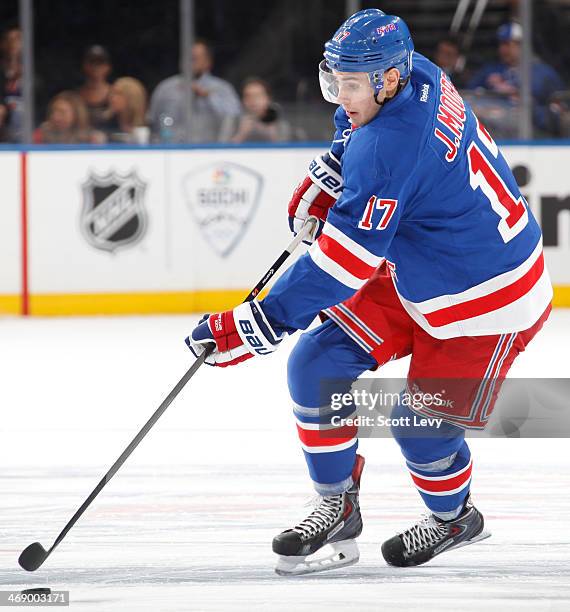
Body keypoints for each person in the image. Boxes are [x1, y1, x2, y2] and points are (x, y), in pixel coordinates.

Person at [186, 9, 552, 574]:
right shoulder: (418, 73)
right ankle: (338, 505)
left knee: (418, 423)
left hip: (489, 297)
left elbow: (338, 269)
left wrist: (256, 323)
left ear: (387, 79)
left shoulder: (389, 148)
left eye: (350, 85)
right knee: (316, 363)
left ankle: (456, 517)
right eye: (335, 81)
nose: (340, 95)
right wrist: (335, 166)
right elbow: (357, 132)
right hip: (422, 265)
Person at [467, 22, 563, 134]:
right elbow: (469, 95)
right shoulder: (490, 70)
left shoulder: (543, 73)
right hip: (493, 130)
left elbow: (557, 109)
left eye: (507, 44)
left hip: (531, 132)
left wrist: (518, 96)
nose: (502, 49)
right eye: (501, 44)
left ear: (522, 45)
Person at [148, 39, 241, 143]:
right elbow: (152, 120)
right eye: (186, 58)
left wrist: (208, 97)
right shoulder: (166, 88)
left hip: (211, 151)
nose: (189, 62)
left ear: (208, 61)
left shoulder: (222, 89)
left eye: (194, 58)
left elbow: (235, 117)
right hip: (172, 151)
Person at [228, 77, 291, 143]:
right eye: (248, 96)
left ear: (268, 98)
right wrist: (241, 134)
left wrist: (272, 134)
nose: (252, 100)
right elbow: (221, 149)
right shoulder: (233, 121)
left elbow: (288, 150)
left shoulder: (280, 123)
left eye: (258, 95)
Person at [33, 91, 104, 144]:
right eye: (53, 111)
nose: (55, 117)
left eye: (62, 112)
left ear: (76, 114)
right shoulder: (42, 133)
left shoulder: (89, 136)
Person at [100, 77, 148, 143]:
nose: (113, 98)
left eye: (119, 94)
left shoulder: (147, 125)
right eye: (112, 93)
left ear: (132, 98)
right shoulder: (104, 124)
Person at [77, 45, 113, 132]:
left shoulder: (116, 94)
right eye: (92, 62)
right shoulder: (77, 96)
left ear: (107, 67)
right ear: (85, 66)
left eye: (100, 62)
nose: (96, 67)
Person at [0, 26, 23, 142]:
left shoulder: (34, 75)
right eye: (11, 39)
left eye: (18, 38)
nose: (15, 43)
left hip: (27, 131)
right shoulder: (2, 73)